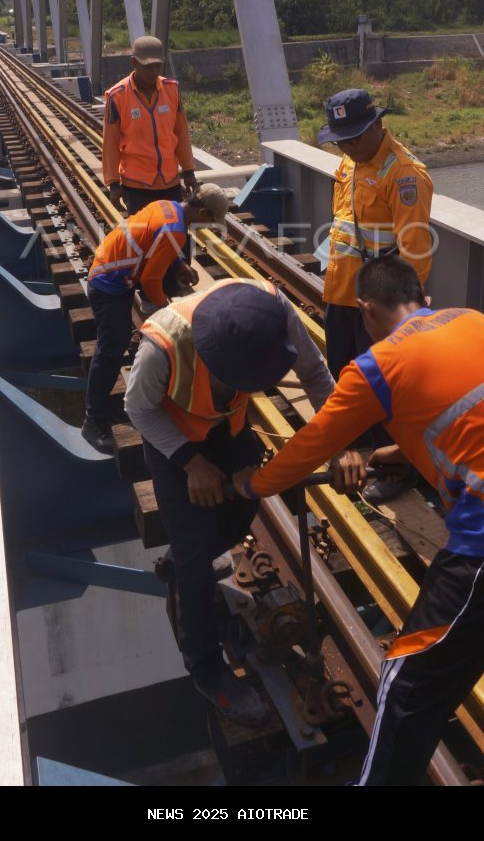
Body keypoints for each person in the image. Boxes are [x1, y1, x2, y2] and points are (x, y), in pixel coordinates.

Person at [234, 257, 484, 786]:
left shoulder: (377, 366)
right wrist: (395, 450)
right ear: (421, 294)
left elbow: (312, 446)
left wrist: (252, 485)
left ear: (365, 310)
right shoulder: (474, 321)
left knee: (409, 681)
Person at [124, 279, 359, 728]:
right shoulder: (162, 346)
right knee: (194, 556)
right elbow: (139, 410)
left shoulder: (275, 312)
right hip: (174, 443)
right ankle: (206, 669)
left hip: (229, 430)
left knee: (242, 508)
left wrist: (340, 444)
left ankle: (183, 559)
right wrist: (192, 464)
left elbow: (314, 374)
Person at [319, 88, 434, 502]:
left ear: (377, 125)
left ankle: (399, 470)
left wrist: (400, 315)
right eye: (340, 140)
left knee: (388, 391)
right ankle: (361, 456)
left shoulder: (404, 175)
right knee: (347, 378)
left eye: (353, 137)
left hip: (379, 306)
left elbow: (415, 254)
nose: (347, 146)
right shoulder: (350, 164)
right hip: (342, 295)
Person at [82, 185, 229, 453]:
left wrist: (178, 265)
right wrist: (169, 311)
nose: (208, 227)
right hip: (109, 283)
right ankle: (94, 420)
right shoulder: (176, 231)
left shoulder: (170, 207)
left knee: (118, 343)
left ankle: (110, 410)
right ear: (204, 211)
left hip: (115, 273)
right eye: (210, 221)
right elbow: (150, 280)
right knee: (110, 350)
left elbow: (153, 239)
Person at [102, 35, 198, 215]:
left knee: (174, 236)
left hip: (170, 181)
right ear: (134, 63)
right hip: (137, 185)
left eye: (157, 65)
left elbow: (181, 133)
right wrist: (113, 183)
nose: (154, 71)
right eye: (148, 66)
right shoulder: (118, 97)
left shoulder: (171, 90)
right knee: (143, 238)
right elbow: (110, 144)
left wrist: (188, 171)